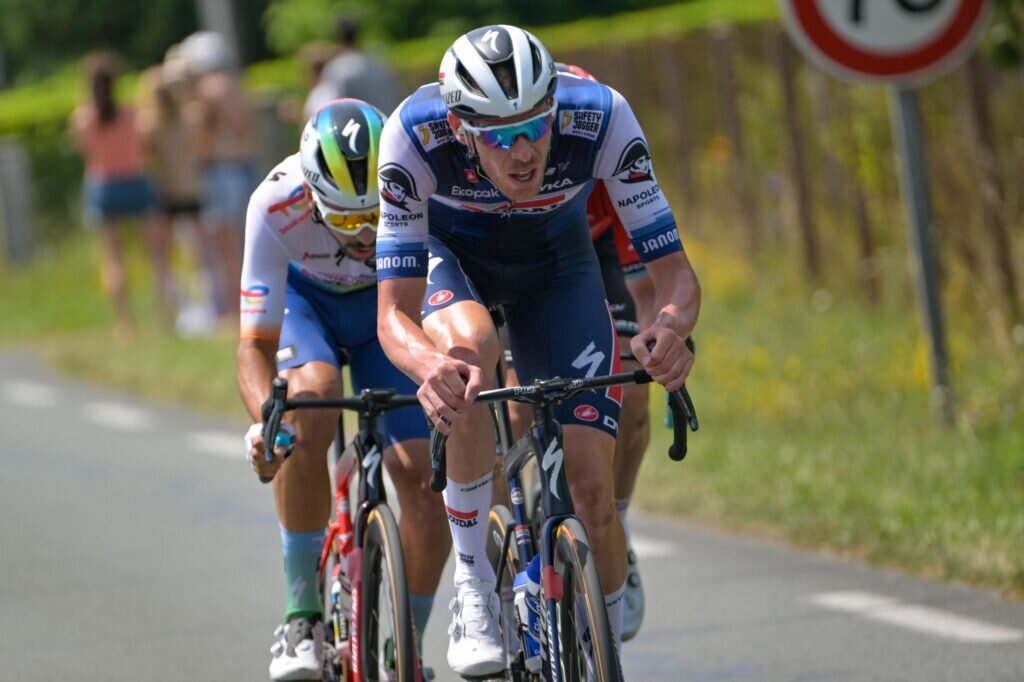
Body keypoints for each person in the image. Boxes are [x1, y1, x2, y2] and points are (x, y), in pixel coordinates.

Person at [374, 25, 701, 676]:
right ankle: (474, 588)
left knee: (590, 493)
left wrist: (667, 328)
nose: (523, 151)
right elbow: (392, 313)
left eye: (535, 127)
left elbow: (675, 277)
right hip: (456, 261)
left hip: (557, 266)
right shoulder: (413, 134)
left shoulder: (599, 115)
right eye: (499, 135)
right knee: (469, 351)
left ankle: (599, 651)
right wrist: (426, 365)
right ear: (462, 129)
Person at [237, 99, 450, 681]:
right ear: (311, 196)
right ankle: (300, 614)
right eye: (349, 220)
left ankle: (402, 648)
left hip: (390, 313)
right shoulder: (274, 204)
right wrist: (268, 421)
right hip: (310, 310)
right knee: (312, 400)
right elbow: (253, 346)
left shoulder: (420, 181)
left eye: (378, 215)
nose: (367, 235)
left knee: (425, 481)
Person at [69, 50, 176, 339]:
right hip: (135, 180)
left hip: (103, 184)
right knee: (157, 255)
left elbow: (85, 153)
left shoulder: (82, 118)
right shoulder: (131, 114)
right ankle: (166, 315)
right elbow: (146, 148)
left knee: (113, 256)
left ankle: (125, 323)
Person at [180, 30, 256, 323]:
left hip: (221, 169)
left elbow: (196, 130)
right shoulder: (235, 85)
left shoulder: (208, 89)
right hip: (242, 165)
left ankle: (232, 310)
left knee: (225, 245)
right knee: (243, 240)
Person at [320, 15, 401, 114]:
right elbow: (396, 96)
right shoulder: (378, 62)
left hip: (358, 127)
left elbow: (333, 107)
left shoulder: (335, 69)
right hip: (386, 122)